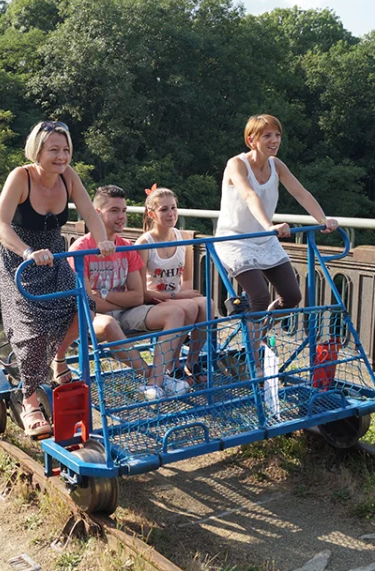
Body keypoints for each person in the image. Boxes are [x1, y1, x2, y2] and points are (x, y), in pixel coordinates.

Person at [0, 121, 115, 437]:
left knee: (82, 306)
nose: (62, 156)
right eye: (54, 150)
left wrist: (102, 241)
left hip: (55, 259)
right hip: (20, 262)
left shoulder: (68, 176)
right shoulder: (21, 177)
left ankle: (58, 360)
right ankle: (29, 400)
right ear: (38, 151)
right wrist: (28, 251)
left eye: (66, 150)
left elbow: (90, 214)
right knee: (32, 330)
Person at [215, 113, 339, 375]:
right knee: (258, 296)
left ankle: (254, 335)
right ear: (252, 139)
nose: (274, 141)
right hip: (235, 240)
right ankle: (254, 363)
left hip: (264, 240)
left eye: (277, 135)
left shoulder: (276, 165)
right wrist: (268, 225)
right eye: (267, 136)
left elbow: (300, 192)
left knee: (292, 296)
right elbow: (248, 195)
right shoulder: (236, 164)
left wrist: (323, 219)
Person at [70, 185, 190, 397]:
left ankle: (156, 380)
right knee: (108, 323)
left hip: (124, 312)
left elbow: (137, 295)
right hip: (91, 318)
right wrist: (114, 299)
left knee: (175, 313)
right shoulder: (81, 249)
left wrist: (104, 296)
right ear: (97, 213)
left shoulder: (127, 247)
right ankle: (151, 378)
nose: (122, 216)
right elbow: (89, 302)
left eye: (124, 211)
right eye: (114, 211)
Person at [136, 185, 212, 385]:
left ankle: (192, 361)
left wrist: (183, 295)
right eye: (164, 210)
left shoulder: (183, 238)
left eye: (174, 208)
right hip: (153, 299)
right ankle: (172, 364)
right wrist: (178, 297)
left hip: (177, 296)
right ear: (152, 214)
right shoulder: (145, 243)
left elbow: (186, 280)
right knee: (187, 306)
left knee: (208, 305)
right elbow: (140, 289)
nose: (171, 214)